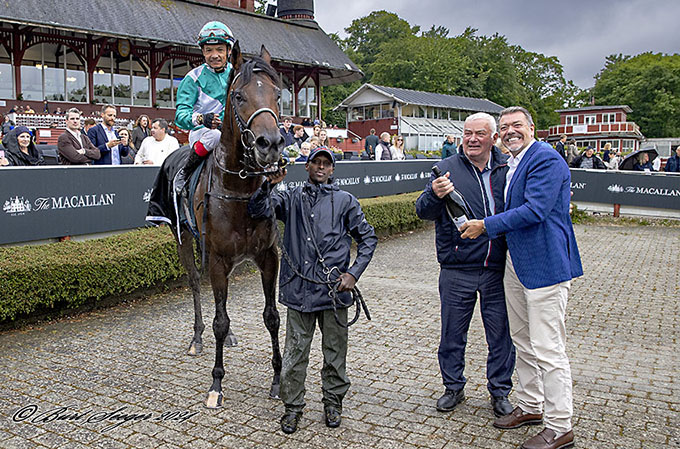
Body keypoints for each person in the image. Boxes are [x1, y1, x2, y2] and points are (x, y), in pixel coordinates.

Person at [460, 107, 582, 449]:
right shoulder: (515, 162)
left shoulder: (544, 158)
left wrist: (485, 225)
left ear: (532, 128)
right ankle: (531, 405)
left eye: (517, 125)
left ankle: (560, 427)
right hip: (518, 263)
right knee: (523, 339)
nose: (510, 131)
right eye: (504, 127)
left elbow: (535, 210)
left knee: (548, 347)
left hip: (545, 264)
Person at [248, 146, 378, 435]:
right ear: (306, 167)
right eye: (315, 162)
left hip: (334, 293)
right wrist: (269, 184)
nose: (320, 167)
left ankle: (333, 403)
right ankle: (292, 407)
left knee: (335, 355)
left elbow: (368, 239)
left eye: (326, 164)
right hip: (298, 291)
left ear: (332, 169)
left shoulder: (345, 201)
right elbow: (256, 209)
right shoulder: (290, 197)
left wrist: (353, 274)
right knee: (295, 355)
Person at [415, 112, 515, 418]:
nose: (472, 139)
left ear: (493, 138)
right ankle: (453, 388)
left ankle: (499, 391)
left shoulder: (507, 167)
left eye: (479, 134)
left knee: (500, 335)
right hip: (457, 268)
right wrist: (434, 194)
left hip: (498, 268)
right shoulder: (445, 169)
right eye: (467, 133)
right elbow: (422, 211)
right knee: (452, 334)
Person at [174, 20, 235, 196]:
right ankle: (185, 172)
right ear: (203, 52)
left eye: (220, 50)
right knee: (215, 136)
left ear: (229, 51)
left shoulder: (237, 74)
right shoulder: (192, 78)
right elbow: (180, 116)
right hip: (203, 133)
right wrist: (202, 119)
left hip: (231, 130)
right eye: (209, 50)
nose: (214, 55)